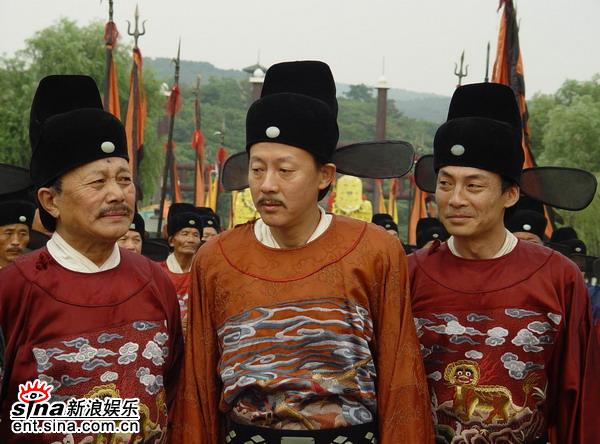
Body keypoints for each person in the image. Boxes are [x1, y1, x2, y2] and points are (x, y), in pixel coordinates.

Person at [171, 61, 433, 444]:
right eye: (257, 170)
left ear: (325, 175)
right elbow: (197, 392)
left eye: (285, 170)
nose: (267, 185)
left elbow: (401, 381)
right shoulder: (217, 259)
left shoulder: (375, 251)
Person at [408, 83, 598, 443]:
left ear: (510, 194)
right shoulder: (410, 273)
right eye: (445, 184)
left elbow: (578, 401)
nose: (455, 199)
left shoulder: (558, 277)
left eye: (474, 186)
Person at [0, 75, 183, 443]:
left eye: (124, 179)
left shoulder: (154, 280)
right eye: (98, 183)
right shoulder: (14, 288)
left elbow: (173, 388)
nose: (117, 194)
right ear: (51, 200)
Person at [160, 208, 203, 336]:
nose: (191, 240)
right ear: (171, 241)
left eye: (196, 235)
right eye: (185, 234)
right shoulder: (157, 272)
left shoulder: (204, 273)